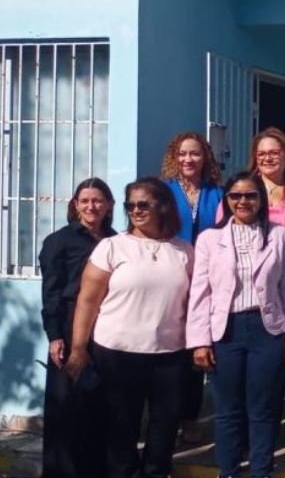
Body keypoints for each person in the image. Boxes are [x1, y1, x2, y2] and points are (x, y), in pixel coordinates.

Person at [65, 178, 193, 478]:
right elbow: (88, 300)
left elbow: (193, 303)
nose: (135, 210)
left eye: (143, 204)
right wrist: (79, 348)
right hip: (117, 353)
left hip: (170, 354)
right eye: (130, 205)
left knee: (165, 425)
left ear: (163, 206)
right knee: (122, 427)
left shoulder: (184, 250)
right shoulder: (112, 247)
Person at [187, 172, 285, 478]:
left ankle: (260, 470)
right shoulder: (209, 239)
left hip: (267, 329)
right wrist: (200, 340)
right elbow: (200, 292)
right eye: (235, 196)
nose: (243, 201)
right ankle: (228, 471)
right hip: (225, 330)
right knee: (227, 408)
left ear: (261, 200)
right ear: (227, 200)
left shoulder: (278, 235)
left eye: (250, 195)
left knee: (262, 407)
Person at [39, 178, 117, 478]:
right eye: (84, 201)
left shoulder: (115, 240)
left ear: (109, 205)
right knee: (66, 407)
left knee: (99, 405)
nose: (91, 206)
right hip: (70, 326)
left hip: (107, 325)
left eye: (97, 200)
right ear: (75, 205)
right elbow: (51, 293)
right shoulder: (59, 241)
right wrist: (55, 336)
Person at [161, 131, 224, 442]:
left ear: (205, 158)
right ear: (175, 157)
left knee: (198, 347)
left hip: (208, 279)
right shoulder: (164, 192)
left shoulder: (218, 193)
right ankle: (167, 418)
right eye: (183, 153)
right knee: (171, 350)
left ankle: (190, 417)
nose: (188, 159)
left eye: (195, 153)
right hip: (171, 276)